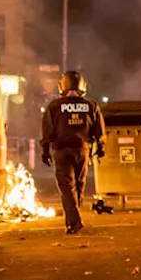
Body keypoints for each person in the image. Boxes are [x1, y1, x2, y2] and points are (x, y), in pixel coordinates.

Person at [40, 70, 105, 235]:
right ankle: (72, 220)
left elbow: (47, 131)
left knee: (67, 187)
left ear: (62, 86)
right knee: (79, 184)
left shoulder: (54, 106)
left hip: (61, 150)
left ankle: (74, 221)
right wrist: (101, 147)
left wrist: (45, 150)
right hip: (82, 149)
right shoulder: (91, 105)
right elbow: (99, 129)